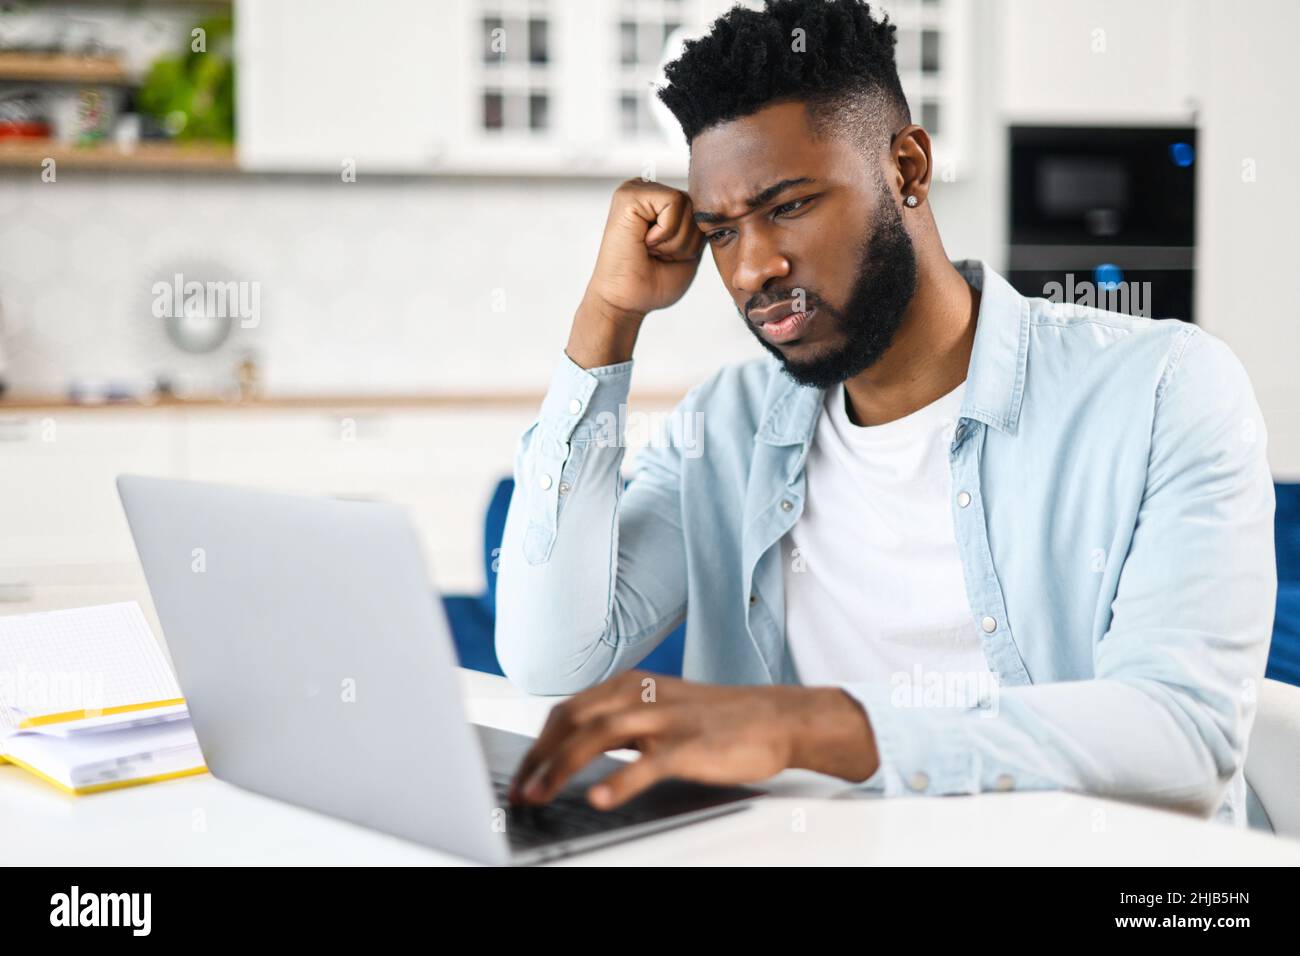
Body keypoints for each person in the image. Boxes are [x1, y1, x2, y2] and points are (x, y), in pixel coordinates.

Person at [494, 0, 1275, 826]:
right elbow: (552, 656)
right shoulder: (727, 429)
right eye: (722, 232)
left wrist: (810, 727)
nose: (754, 267)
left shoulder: (1163, 390)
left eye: (788, 206)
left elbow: (1183, 739)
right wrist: (607, 319)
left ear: (906, 169)